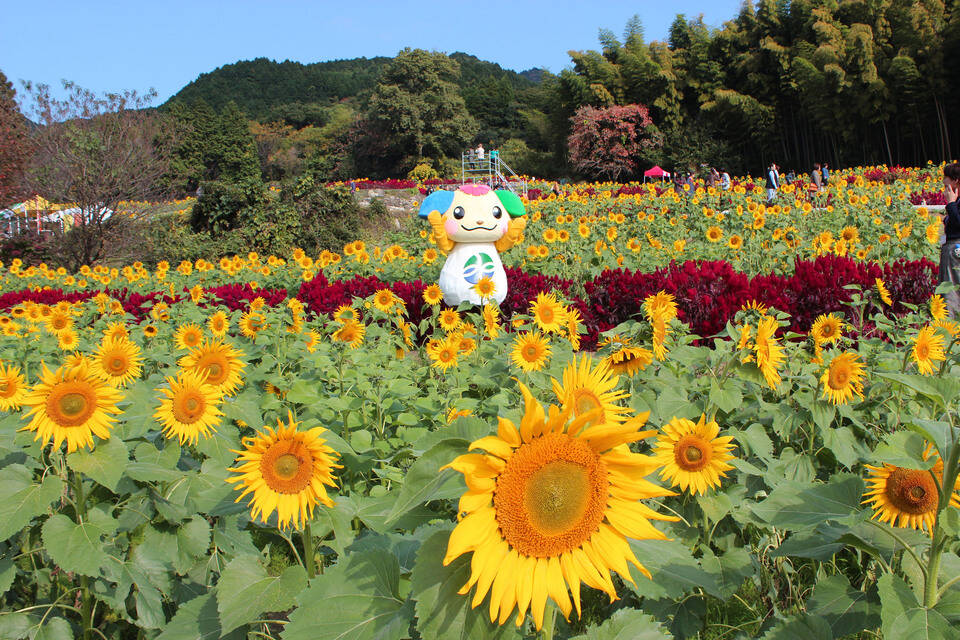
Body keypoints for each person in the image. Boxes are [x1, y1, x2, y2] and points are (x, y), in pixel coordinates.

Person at [940, 163, 960, 317]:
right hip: (951, 250)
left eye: (946, 179)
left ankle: (952, 331)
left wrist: (951, 204)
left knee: (951, 295)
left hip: (956, 251)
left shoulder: (955, 202)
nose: (944, 182)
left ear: (956, 181)